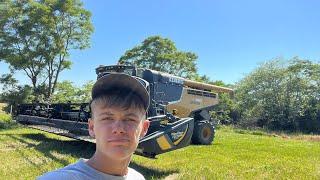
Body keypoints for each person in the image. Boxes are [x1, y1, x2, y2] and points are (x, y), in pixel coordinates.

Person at [39, 73, 150, 180]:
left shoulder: (138, 177)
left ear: (144, 128)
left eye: (130, 119)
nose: (119, 129)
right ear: (92, 128)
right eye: (107, 118)